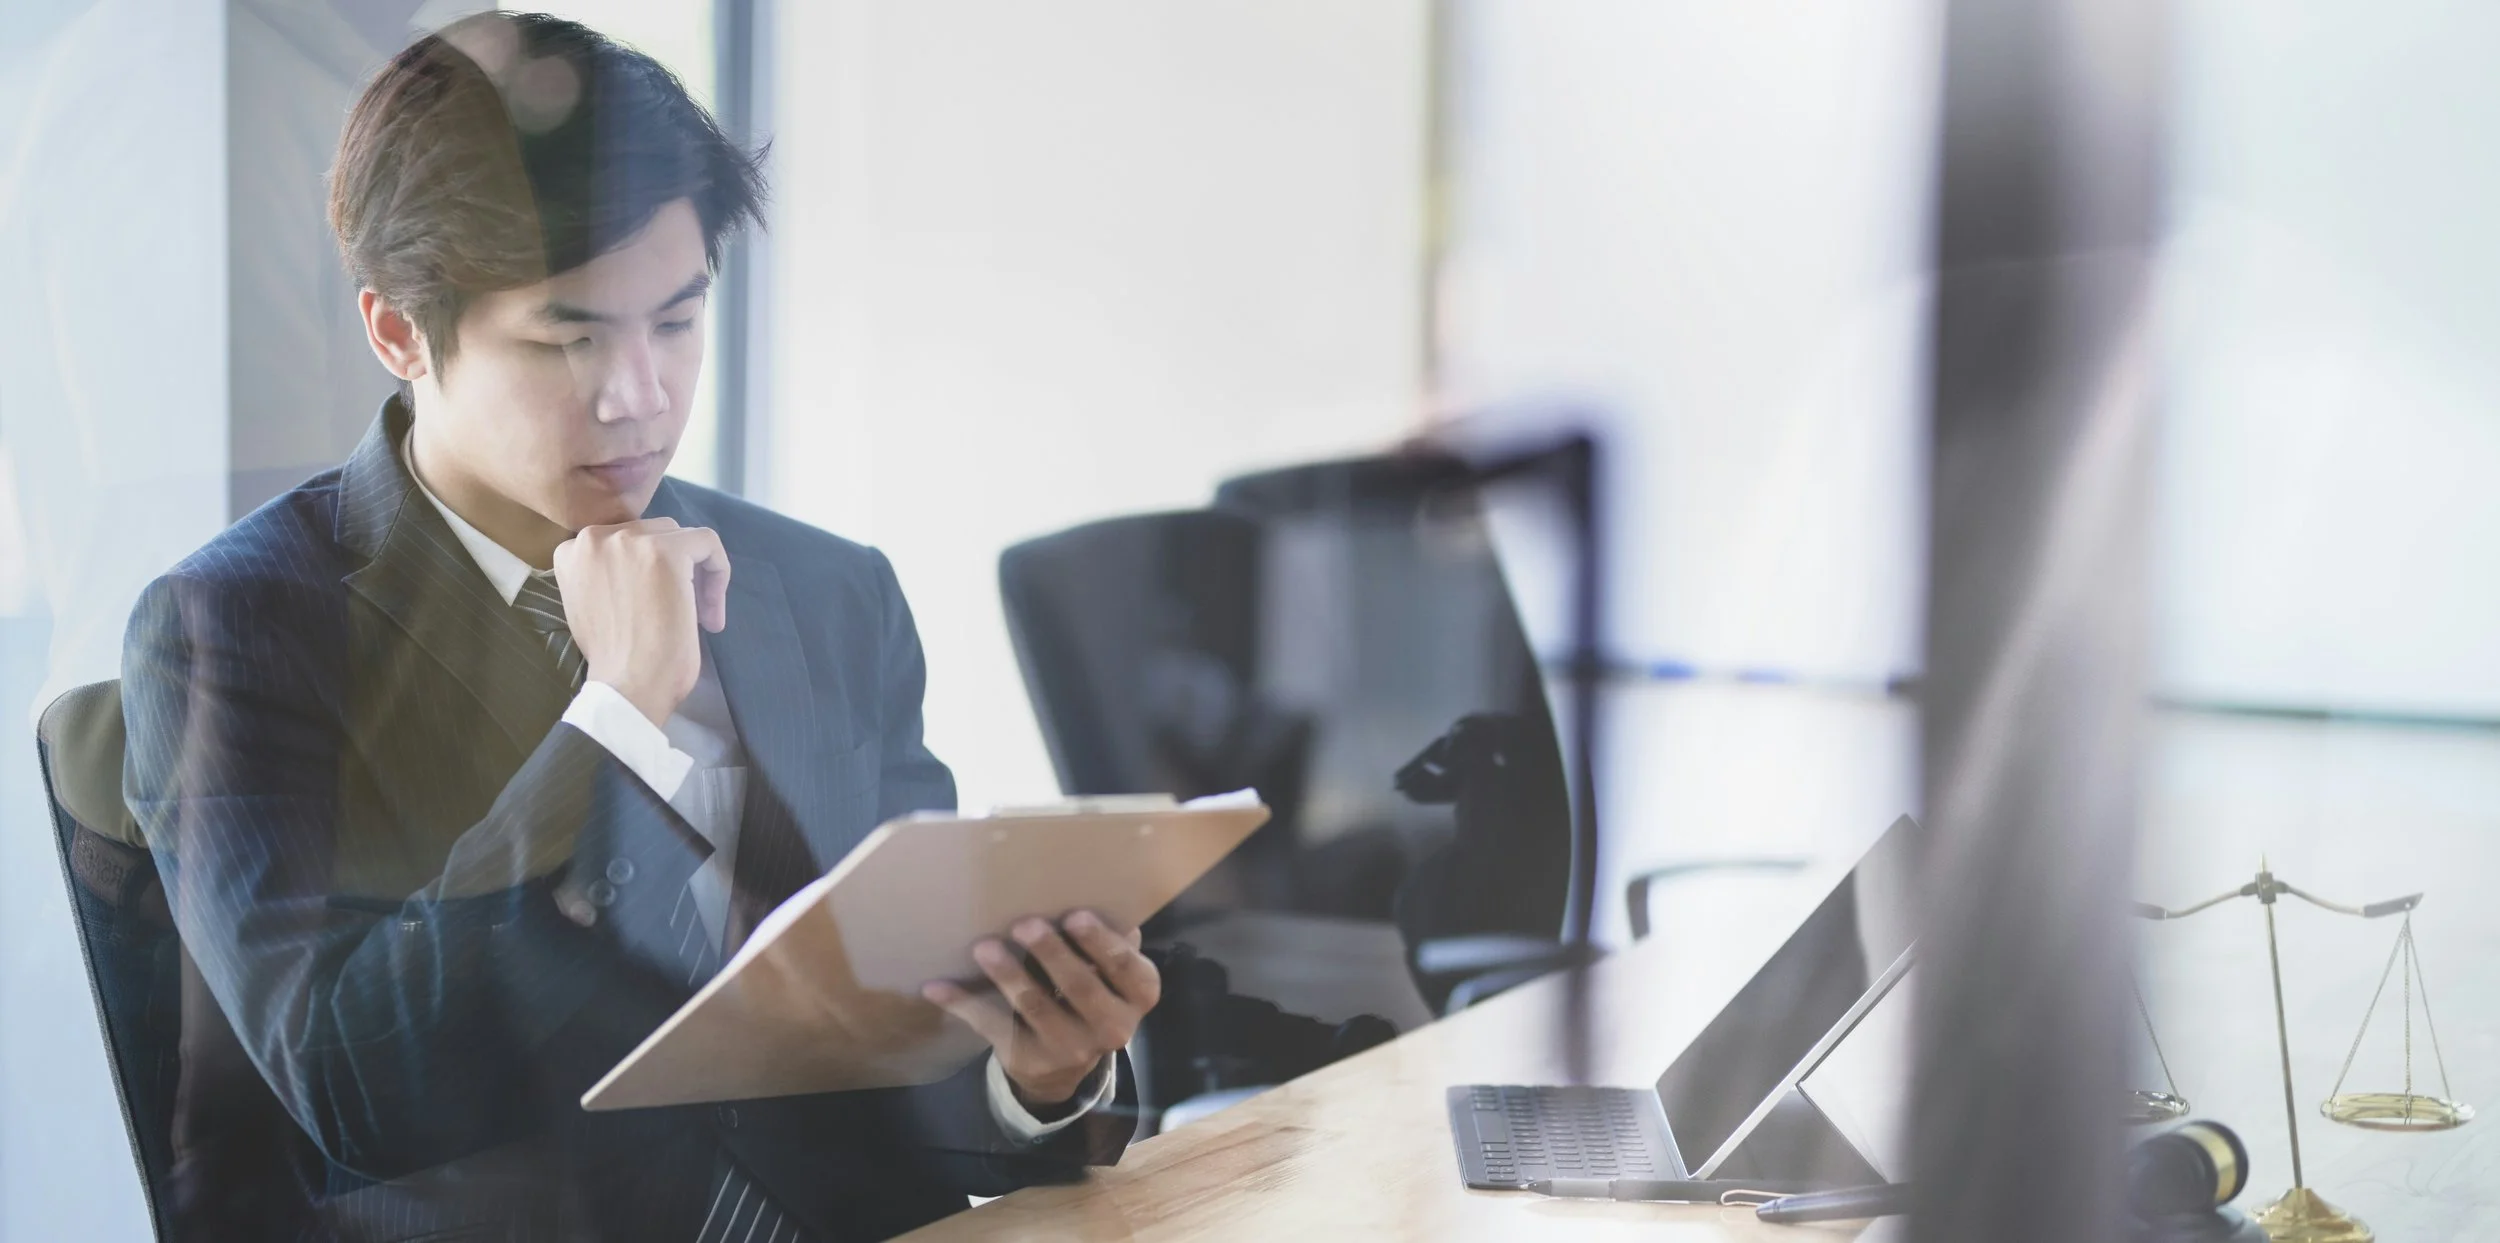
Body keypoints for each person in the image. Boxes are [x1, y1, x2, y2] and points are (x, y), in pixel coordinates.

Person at [120, 13, 1152, 1241]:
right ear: (400, 330)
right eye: (568, 338)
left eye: (675, 321)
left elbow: (899, 1033)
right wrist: (612, 715)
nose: (640, 398)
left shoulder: (826, 592)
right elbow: (356, 1092)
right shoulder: (234, 632)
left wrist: (1033, 1073)